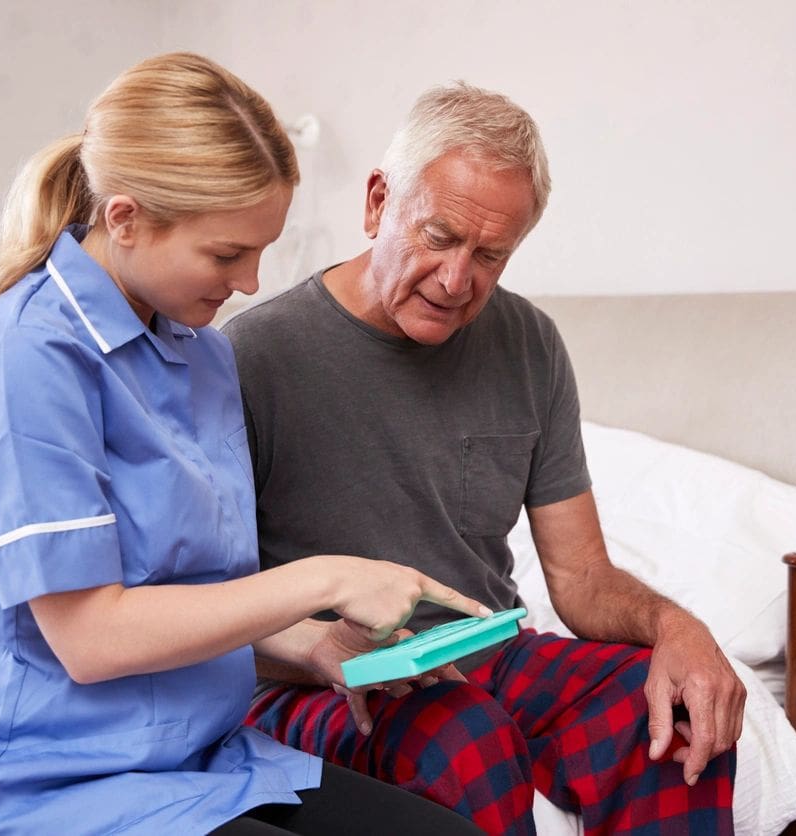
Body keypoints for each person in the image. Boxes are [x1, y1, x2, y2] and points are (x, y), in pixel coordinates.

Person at [0, 53, 490, 836]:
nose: (250, 282)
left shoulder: (200, 352)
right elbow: (90, 639)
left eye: (260, 251)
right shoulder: (25, 358)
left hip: (196, 758)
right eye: (225, 255)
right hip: (46, 782)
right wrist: (330, 577)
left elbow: (180, 585)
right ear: (125, 219)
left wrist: (315, 642)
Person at [222, 82, 747, 835]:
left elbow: (582, 579)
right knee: (463, 736)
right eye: (439, 236)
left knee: (669, 708)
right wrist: (325, 651)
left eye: (491, 255)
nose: (457, 279)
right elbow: (210, 599)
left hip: (484, 654)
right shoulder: (252, 357)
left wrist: (676, 626)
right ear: (377, 203)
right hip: (318, 678)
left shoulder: (530, 346)